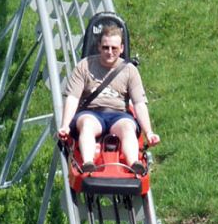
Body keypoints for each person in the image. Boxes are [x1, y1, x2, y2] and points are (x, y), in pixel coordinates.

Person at [57, 24, 160, 174]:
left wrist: (149, 132)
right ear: (99, 46)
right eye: (106, 47)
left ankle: (134, 163)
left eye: (114, 48)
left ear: (122, 48)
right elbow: (73, 98)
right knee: (87, 125)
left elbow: (139, 103)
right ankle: (87, 162)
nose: (110, 52)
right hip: (91, 112)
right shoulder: (84, 67)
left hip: (118, 114)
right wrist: (65, 125)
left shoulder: (130, 70)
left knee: (128, 128)